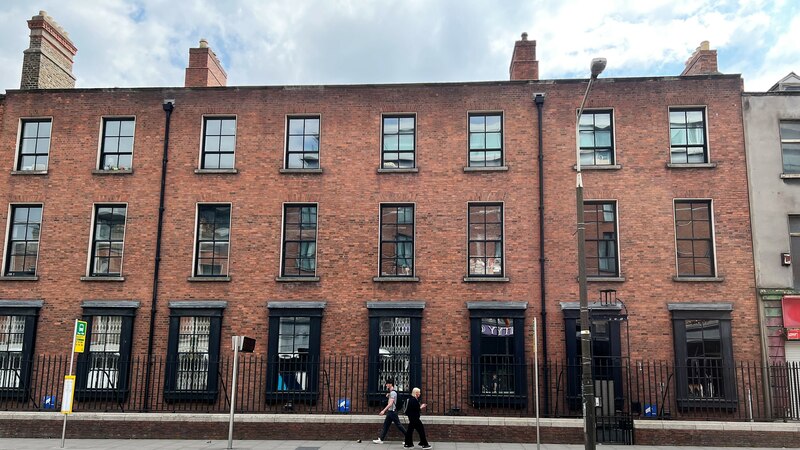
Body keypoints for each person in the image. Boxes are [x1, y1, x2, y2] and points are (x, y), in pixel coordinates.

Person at [372, 378, 406, 444]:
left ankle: (408, 438)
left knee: (399, 425)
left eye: (387, 384)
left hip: (392, 412)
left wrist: (383, 411)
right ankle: (381, 439)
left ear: (390, 384)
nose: (386, 385)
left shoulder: (392, 393)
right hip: (391, 412)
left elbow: (390, 404)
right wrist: (388, 396)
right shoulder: (392, 392)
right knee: (386, 425)